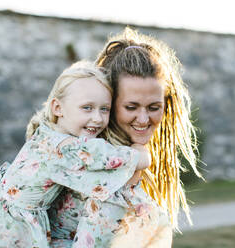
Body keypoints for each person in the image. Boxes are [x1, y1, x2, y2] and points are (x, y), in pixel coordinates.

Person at [49, 27, 202, 247]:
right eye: (131, 107)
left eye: (154, 107)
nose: (143, 118)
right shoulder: (100, 166)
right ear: (109, 103)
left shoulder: (128, 158)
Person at [0, 60, 150, 247]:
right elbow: (113, 159)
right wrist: (140, 152)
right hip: (15, 232)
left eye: (104, 109)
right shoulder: (65, 148)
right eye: (87, 108)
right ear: (58, 108)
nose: (97, 118)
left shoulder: (46, 132)